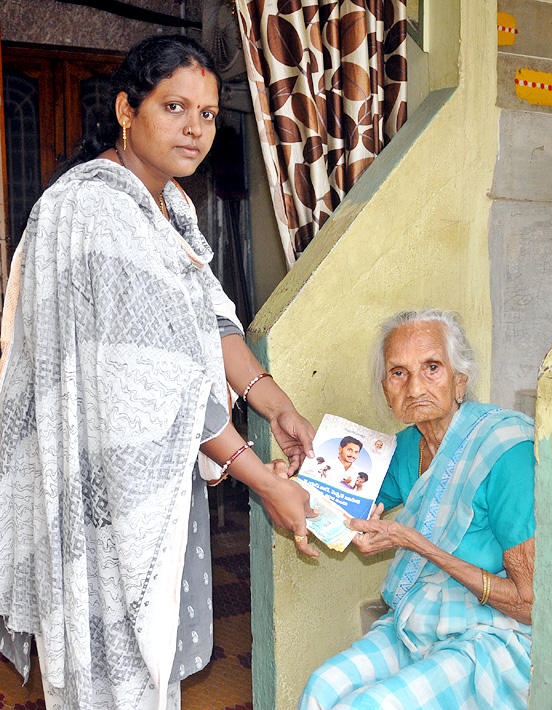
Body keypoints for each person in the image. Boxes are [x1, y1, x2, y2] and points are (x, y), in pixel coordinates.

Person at [0, 34, 319, 710]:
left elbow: (210, 321)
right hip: (104, 487)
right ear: (126, 108)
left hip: (157, 475)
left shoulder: (169, 205)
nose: (195, 128)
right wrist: (261, 479)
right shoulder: (92, 208)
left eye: (207, 113)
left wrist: (276, 404)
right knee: (111, 671)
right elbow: (158, 373)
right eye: (174, 106)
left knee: (148, 669)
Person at [299, 309, 535, 710]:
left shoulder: (505, 450)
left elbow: (530, 605)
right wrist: (288, 480)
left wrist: (417, 543)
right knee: (322, 688)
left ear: (460, 380)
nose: (414, 388)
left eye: (431, 368)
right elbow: (330, 500)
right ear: (385, 389)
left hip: (495, 635)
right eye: (398, 373)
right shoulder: (407, 447)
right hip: (419, 620)